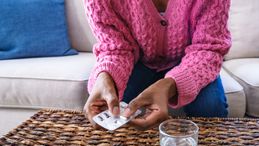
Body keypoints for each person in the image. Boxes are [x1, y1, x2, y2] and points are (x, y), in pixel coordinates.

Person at [83, 0, 231, 130]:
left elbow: (209, 47)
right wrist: (106, 75)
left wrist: (170, 85)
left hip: (193, 62)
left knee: (211, 107)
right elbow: (115, 47)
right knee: (111, 112)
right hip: (136, 63)